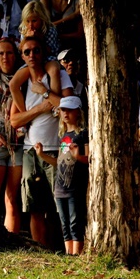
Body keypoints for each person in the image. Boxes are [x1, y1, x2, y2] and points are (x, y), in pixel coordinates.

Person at [10, 36, 73, 250]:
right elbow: (15, 120)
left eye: (35, 50)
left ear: (44, 51)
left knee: (58, 207)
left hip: (57, 148)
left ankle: (60, 250)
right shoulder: (23, 82)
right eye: (26, 52)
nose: (31, 55)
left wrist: (46, 93)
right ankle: (41, 251)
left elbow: (68, 106)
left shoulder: (58, 74)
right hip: (31, 150)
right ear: (22, 56)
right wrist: (36, 110)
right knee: (34, 206)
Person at [34, 96, 88, 255]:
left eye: (69, 110)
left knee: (75, 222)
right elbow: (59, 161)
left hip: (75, 186)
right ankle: (68, 253)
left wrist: (78, 156)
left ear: (78, 112)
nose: (65, 113)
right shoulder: (63, 136)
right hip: (60, 186)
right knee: (64, 223)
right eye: (63, 110)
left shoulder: (83, 134)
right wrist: (42, 155)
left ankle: (77, 253)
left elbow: (90, 160)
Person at [0, 38, 23, 233]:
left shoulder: (23, 77)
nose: (5, 57)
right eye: (1, 53)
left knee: (12, 197)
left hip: (17, 142)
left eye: (9, 53)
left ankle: (12, 240)